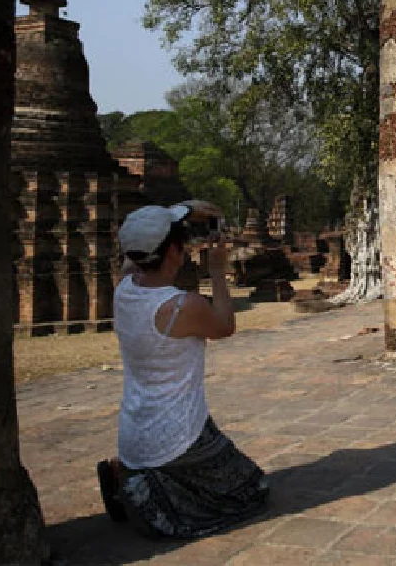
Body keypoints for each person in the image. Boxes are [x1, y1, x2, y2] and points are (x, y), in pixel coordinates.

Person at [95, 201, 269, 539]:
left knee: (202, 475)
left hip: (133, 435)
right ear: (176, 250)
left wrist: (182, 210)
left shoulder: (124, 288)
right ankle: (142, 494)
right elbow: (224, 326)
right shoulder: (181, 305)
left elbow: (136, 252)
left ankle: (129, 474)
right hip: (181, 435)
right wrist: (217, 272)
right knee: (251, 489)